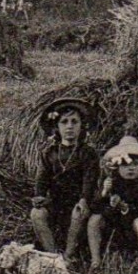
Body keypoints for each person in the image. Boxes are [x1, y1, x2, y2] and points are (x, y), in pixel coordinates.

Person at [29, 97, 99, 258]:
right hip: (56, 202)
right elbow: (42, 178)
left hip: (79, 201)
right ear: (57, 127)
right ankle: (53, 256)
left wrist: (83, 199)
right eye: (64, 122)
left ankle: (68, 255)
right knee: (36, 214)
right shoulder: (50, 153)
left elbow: (90, 180)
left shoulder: (87, 153)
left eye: (74, 122)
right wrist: (39, 196)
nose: (69, 127)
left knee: (78, 212)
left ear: (82, 126)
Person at [87, 135, 138, 270]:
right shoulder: (113, 183)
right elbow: (95, 206)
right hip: (114, 228)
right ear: (118, 168)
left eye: (135, 164)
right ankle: (95, 260)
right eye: (125, 165)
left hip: (132, 228)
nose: (130, 168)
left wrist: (125, 207)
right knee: (94, 220)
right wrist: (104, 192)